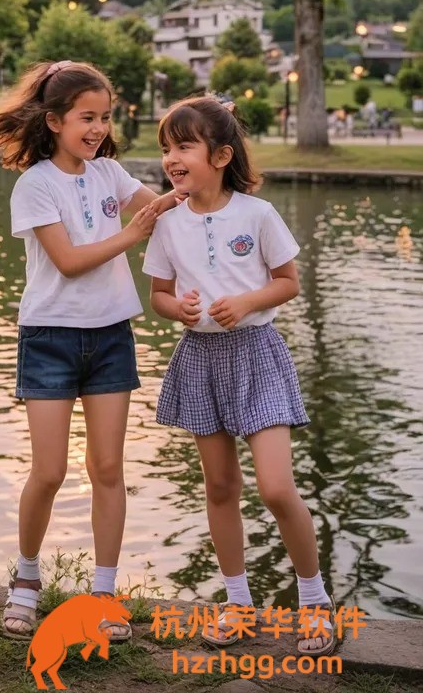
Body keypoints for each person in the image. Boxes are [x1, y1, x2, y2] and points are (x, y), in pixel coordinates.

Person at [0, 59, 179, 641]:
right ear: (55, 121)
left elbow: (163, 210)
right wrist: (131, 234)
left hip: (112, 335)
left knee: (108, 468)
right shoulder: (35, 184)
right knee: (50, 470)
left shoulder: (109, 172)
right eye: (87, 117)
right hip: (50, 338)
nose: (98, 128)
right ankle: (26, 580)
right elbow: (67, 261)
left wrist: (200, 183)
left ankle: (105, 592)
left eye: (105, 117)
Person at [142, 96, 335, 658]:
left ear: (221, 155)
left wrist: (248, 301)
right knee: (221, 487)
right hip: (200, 359)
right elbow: (158, 294)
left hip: (257, 355)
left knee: (275, 487)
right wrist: (177, 310)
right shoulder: (167, 222)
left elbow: (287, 282)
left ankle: (314, 600)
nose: (171, 158)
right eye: (166, 148)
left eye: (184, 147)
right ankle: (237, 602)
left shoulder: (257, 214)